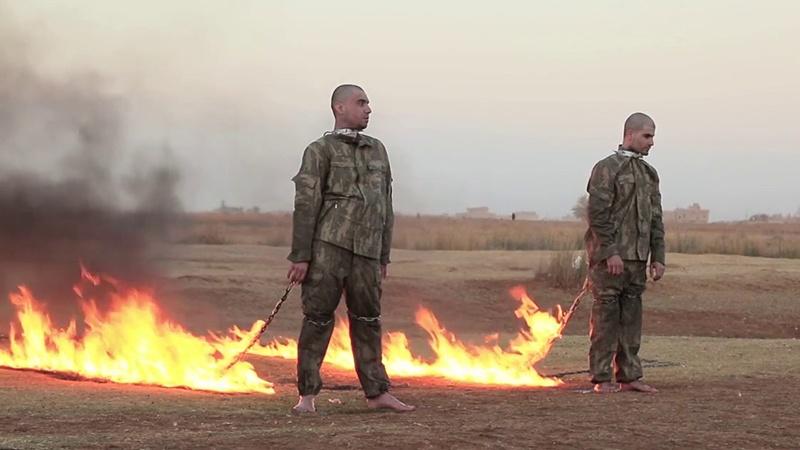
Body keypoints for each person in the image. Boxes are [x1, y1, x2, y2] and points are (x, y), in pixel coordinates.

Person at [286, 84, 415, 413]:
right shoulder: (320, 150)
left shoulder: (378, 151)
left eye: (369, 103)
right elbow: (306, 205)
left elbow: (385, 205)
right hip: (329, 248)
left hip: (368, 253)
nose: (368, 109)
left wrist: (383, 254)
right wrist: (301, 256)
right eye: (361, 103)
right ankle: (307, 397)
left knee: (369, 319)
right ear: (339, 108)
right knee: (317, 319)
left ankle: (377, 393)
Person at [583, 112, 666, 394]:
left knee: (631, 320)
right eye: (647, 136)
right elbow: (597, 214)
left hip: (637, 261)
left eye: (653, 136)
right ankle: (601, 377)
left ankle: (629, 376)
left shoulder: (648, 174)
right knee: (606, 319)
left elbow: (656, 218)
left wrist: (658, 256)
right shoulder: (607, 168)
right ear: (629, 134)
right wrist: (609, 252)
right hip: (610, 263)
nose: (651, 142)